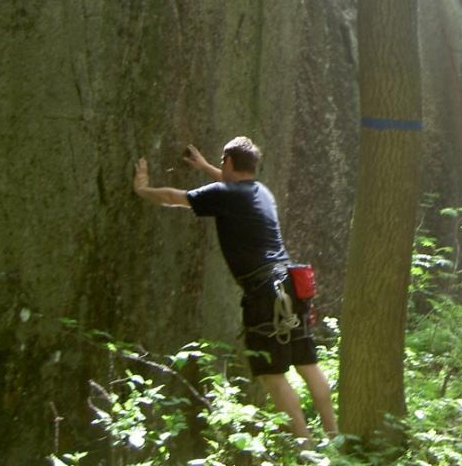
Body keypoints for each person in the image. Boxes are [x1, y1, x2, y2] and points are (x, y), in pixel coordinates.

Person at [132, 137, 337, 441]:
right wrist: (204, 167)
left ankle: (304, 445)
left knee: (271, 374)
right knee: (308, 364)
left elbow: (173, 197)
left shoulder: (225, 194)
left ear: (228, 162)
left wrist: (142, 189)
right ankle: (334, 437)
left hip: (265, 291)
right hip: (292, 285)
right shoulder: (262, 193)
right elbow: (229, 187)